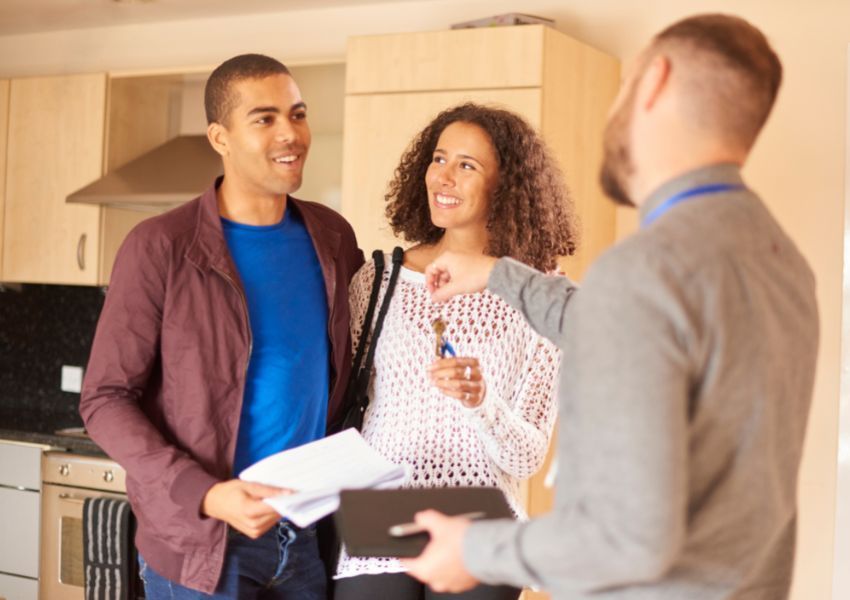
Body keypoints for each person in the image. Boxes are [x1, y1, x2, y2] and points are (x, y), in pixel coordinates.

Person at [404, 14, 819, 600]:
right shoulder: (781, 261)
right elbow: (617, 328)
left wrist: (474, 550)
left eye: (623, 87)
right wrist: (499, 275)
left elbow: (625, 537)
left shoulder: (646, 272)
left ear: (655, 82)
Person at [80, 54, 363, 599]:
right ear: (220, 136)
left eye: (298, 114)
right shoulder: (161, 246)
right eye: (265, 118)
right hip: (202, 543)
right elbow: (105, 399)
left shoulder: (332, 238)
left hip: (304, 536)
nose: (291, 133)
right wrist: (207, 494)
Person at [333, 103, 579, 600]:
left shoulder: (540, 296)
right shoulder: (378, 280)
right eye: (439, 158)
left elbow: (526, 457)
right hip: (379, 512)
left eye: (467, 165)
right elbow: (347, 404)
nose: (443, 177)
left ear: (505, 185)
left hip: (481, 526)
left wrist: (481, 401)